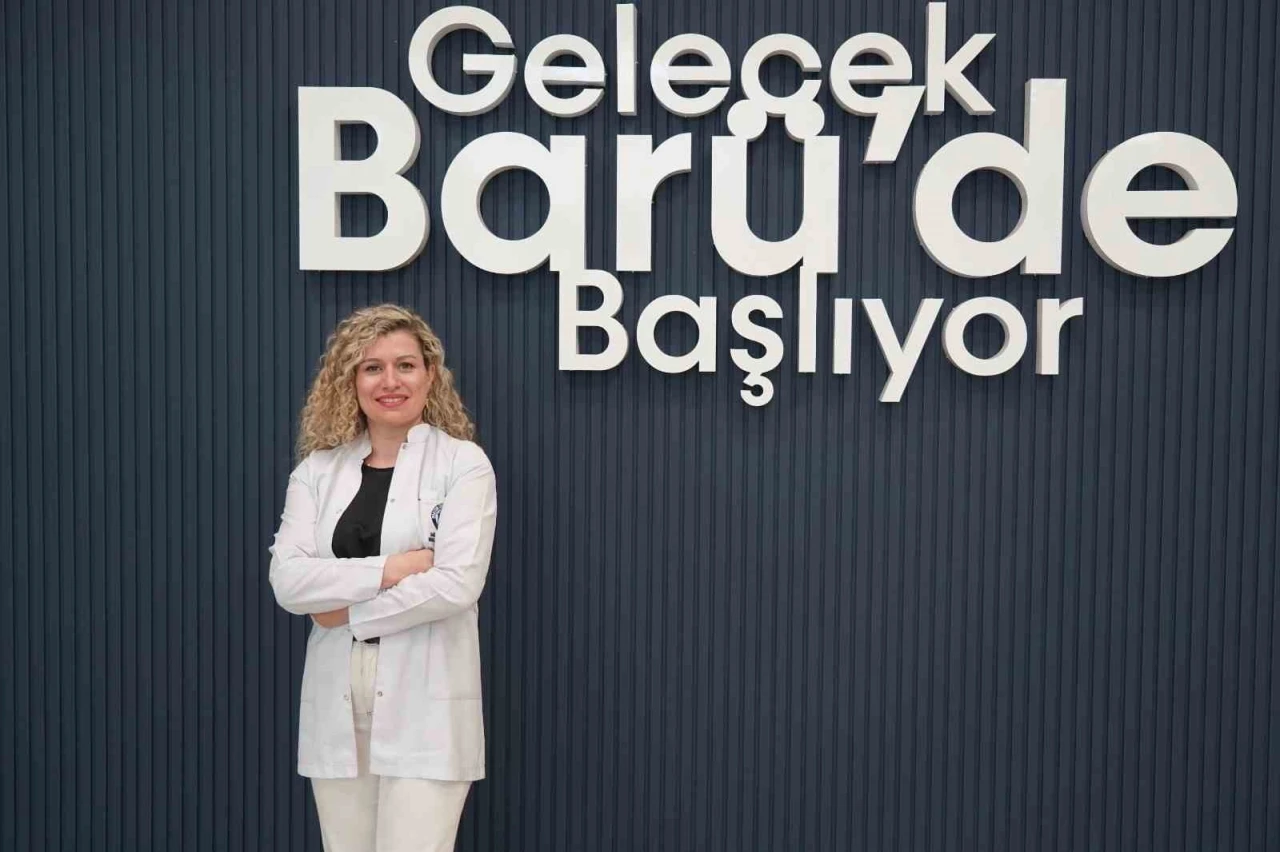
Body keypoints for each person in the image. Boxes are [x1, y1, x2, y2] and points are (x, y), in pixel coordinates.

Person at [268, 303, 497, 852]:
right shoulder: (317, 471)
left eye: (405, 365)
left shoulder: (463, 465)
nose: (390, 381)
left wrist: (345, 612)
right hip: (337, 701)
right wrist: (393, 568)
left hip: (427, 699)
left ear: (430, 375)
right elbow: (289, 581)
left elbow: (456, 584)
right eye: (372, 367)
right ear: (350, 380)